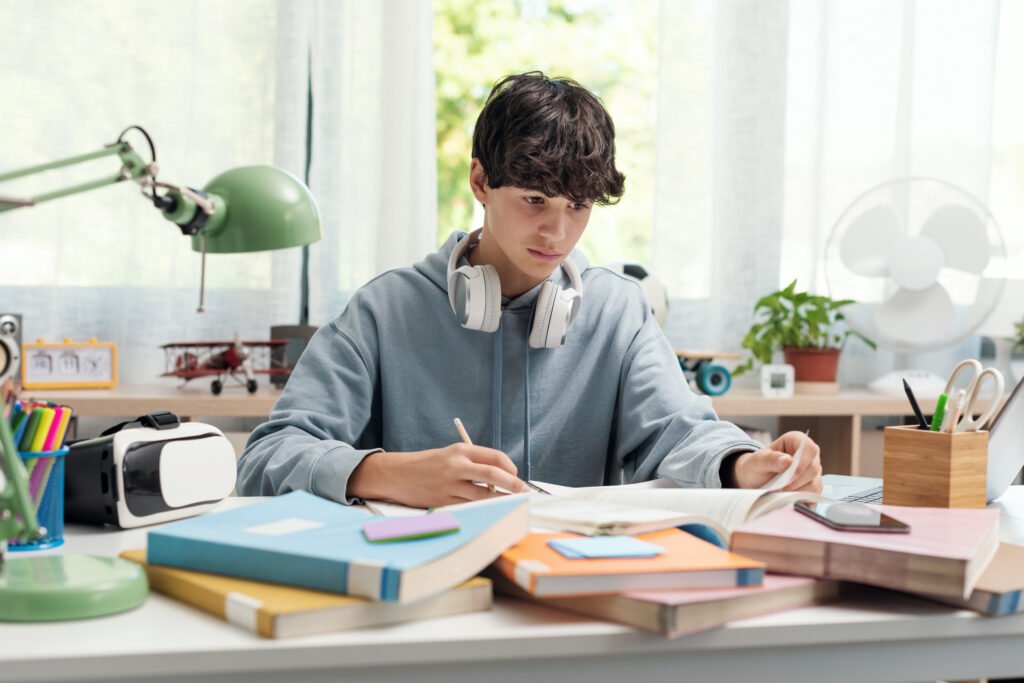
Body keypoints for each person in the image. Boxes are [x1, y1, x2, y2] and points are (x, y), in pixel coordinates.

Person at [237, 71, 822, 508]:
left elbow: (682, 432)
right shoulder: (385, 310)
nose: (557, 232)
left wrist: (747, 464)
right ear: (480, 181)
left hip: (568, 595)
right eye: (536, 201)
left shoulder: (618, 312)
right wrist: (386, 473)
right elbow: (266, 457)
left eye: (578, 208)